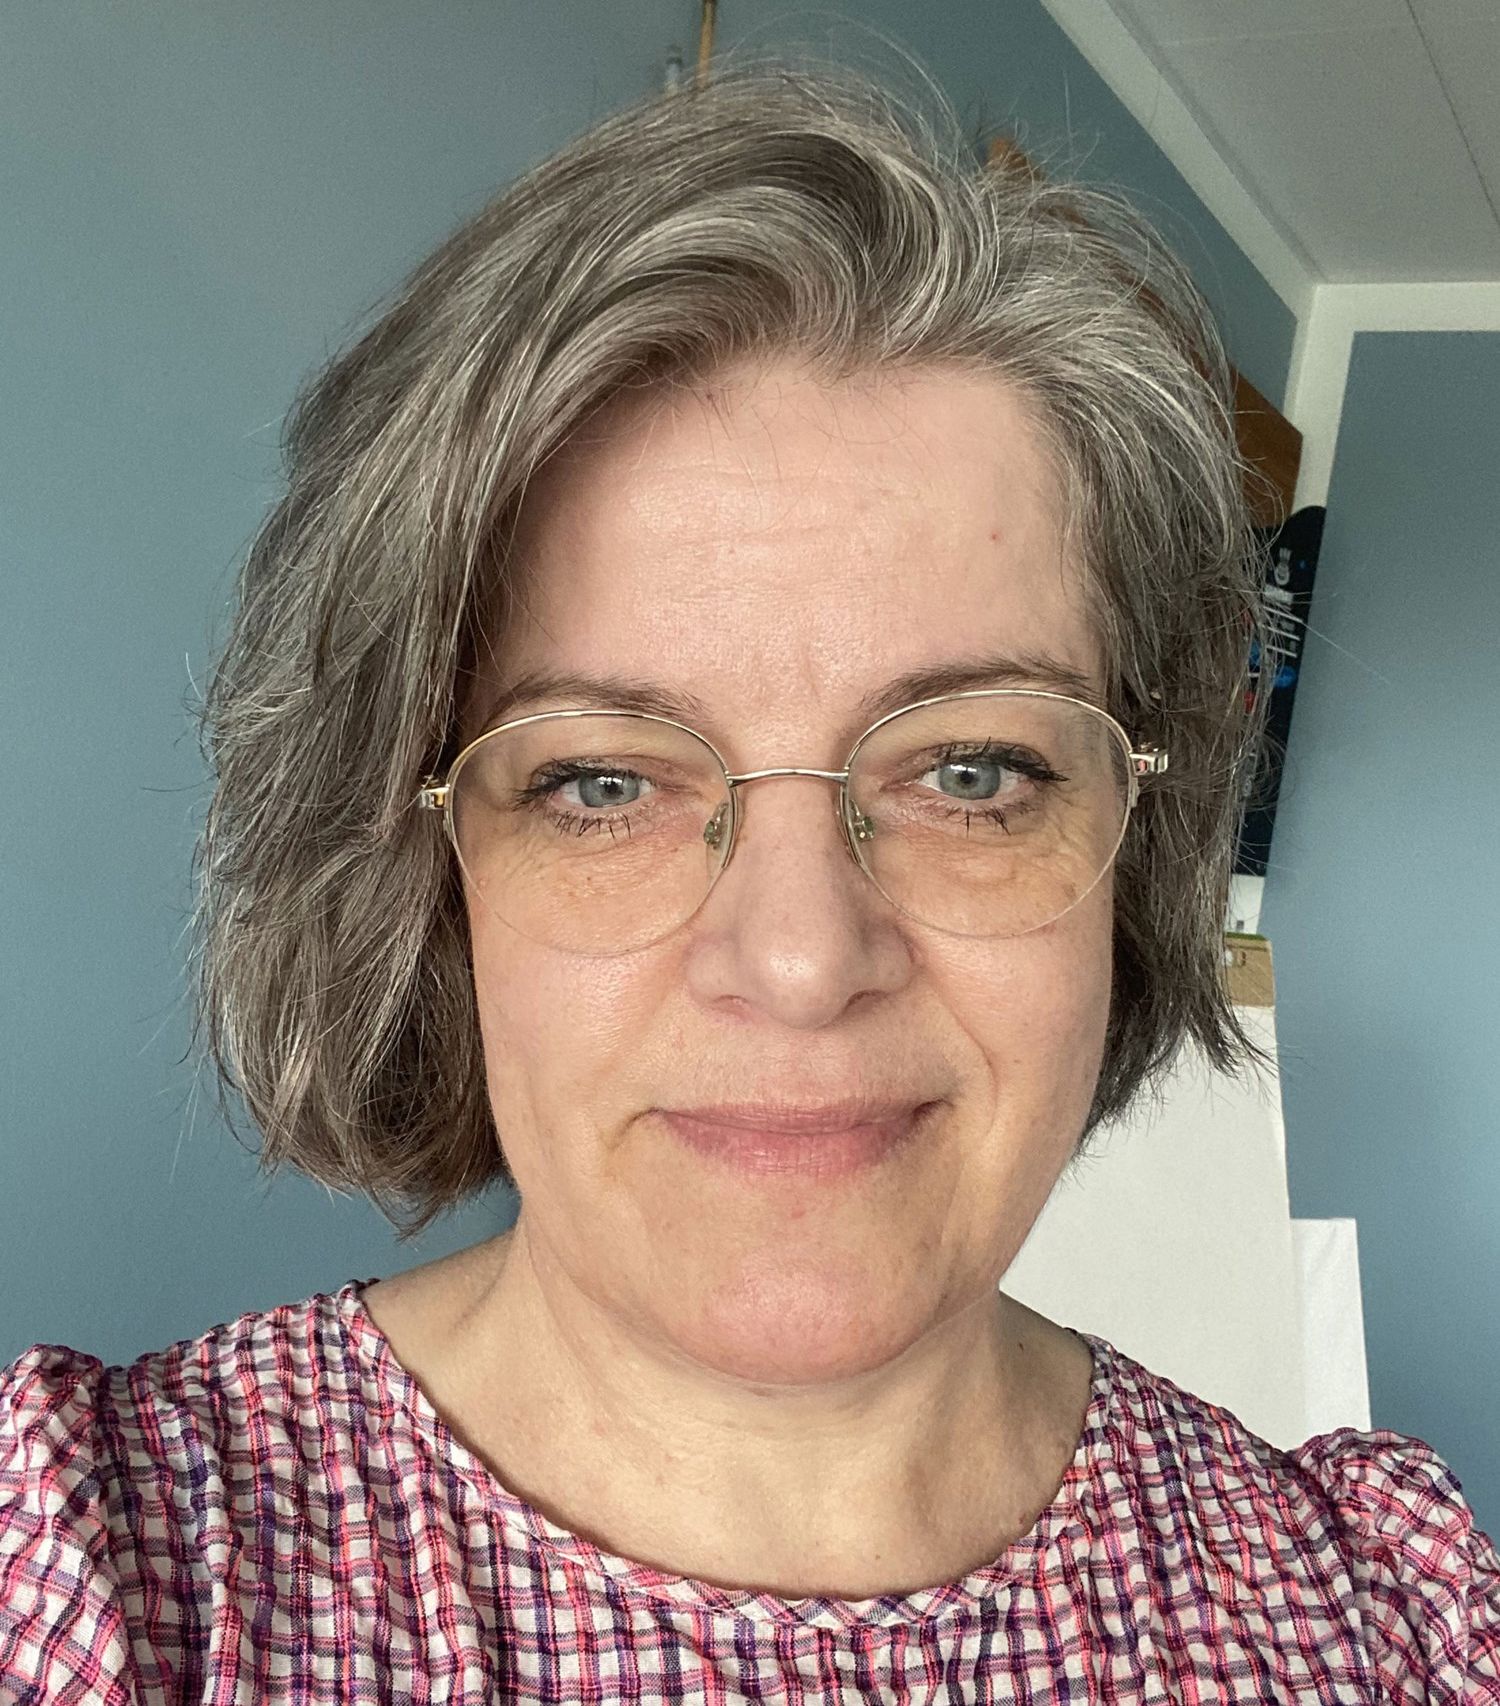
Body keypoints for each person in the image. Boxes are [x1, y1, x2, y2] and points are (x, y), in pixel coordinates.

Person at [2, 62, 1496, 1706]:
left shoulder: (1389, 1623)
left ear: (1137, 838)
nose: (799, 958)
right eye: (602, 781)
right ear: (426, 867)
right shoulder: (101, 1579)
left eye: (971, 770)